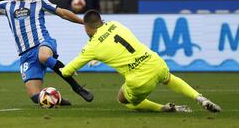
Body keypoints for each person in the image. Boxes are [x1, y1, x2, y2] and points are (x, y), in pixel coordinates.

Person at [61, 10, 222, 113]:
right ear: (101, 21)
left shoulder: (91, 47)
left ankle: (163, 109)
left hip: (139, 81)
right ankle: (199, 97)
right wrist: (98, 57)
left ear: (87, 28)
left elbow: (67, 71)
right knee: (169, 78)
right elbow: (114, 45)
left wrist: (81, 62)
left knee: (122, 98)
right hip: (155, 63)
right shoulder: (115, 24)